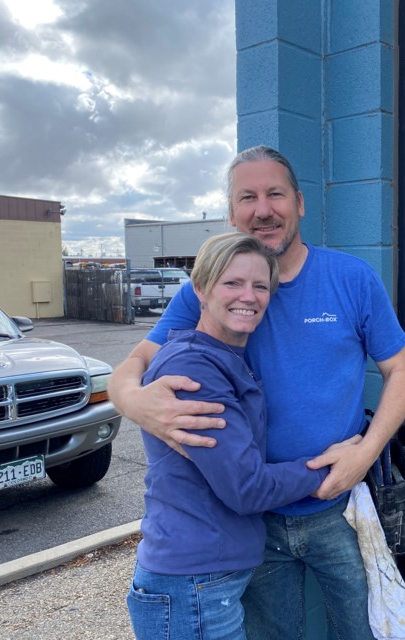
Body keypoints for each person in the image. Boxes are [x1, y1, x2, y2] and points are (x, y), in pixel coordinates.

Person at [108, 145, 405, 640]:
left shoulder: (351, 278)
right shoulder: (214, 286)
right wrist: (132, 401)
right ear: (232, 213)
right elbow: (136, 362)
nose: (263, 209)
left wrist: (366, 450)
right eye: (247, 197)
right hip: (254, 519)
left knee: (367, 631)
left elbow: (402, 371)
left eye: (275, 194)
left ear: (298, 202)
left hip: (338, 509)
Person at [126, 232, 331, 640]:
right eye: (232, 283)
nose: (248, 296)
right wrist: (329, 466)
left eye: (260, 285)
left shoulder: (223, 357)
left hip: (206, 578)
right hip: (192, 585)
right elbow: (246, 487)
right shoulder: (194, 370)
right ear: (200, 289)